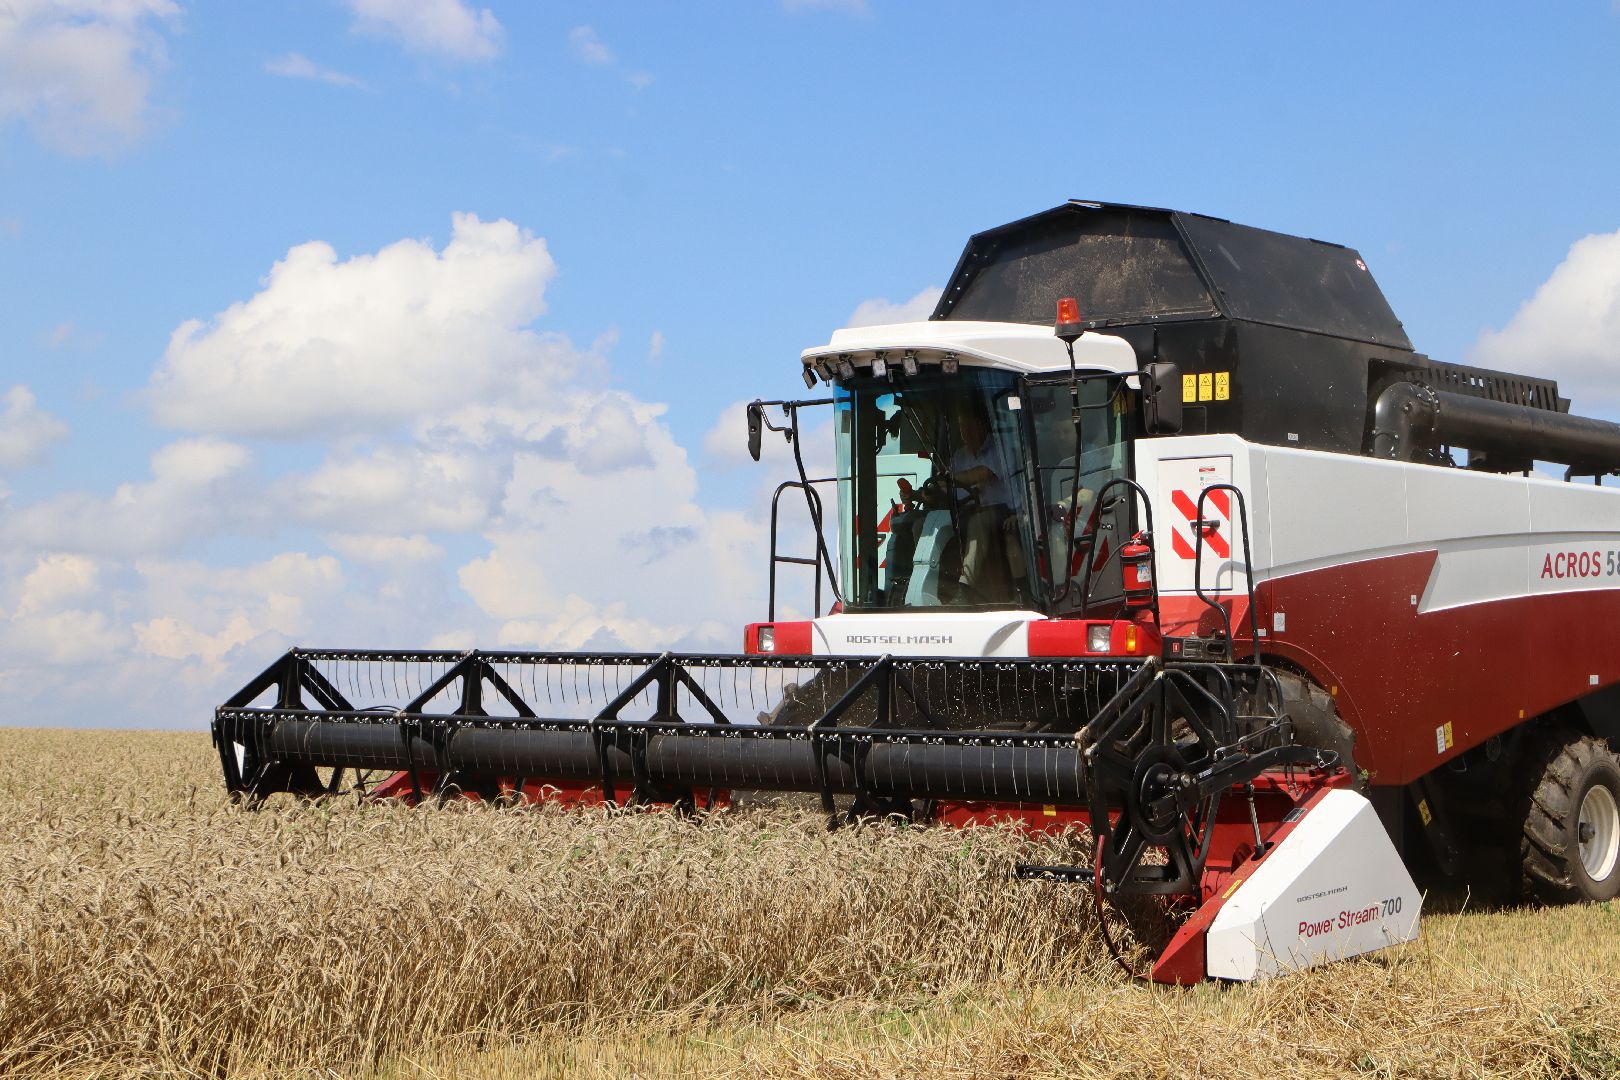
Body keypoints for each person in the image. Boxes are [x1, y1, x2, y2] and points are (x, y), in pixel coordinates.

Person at [948, 399, 1023, 602]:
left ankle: (964, 589)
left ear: (982, 425)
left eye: (969, 426)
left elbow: (982, 474)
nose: (964, 431)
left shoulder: (1001, 447)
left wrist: (948, 480)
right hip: (967, 510)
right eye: (961, 427)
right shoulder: (959, 455)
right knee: (920, 522)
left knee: (978, 525)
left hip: (1004, 510)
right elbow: (949, 487)